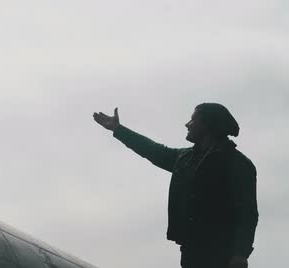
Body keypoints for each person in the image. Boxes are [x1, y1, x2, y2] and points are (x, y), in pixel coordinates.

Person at [93, 103, 258, 268]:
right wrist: (118, 129)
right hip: (191, 251)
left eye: (193, 120)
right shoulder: (184, 158)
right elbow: (152, 150)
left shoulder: (238, 164)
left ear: (208, 125)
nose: (187, 124)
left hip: (222, 255)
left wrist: (240, 255)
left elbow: (247, 214)